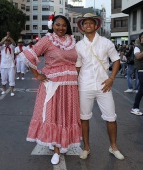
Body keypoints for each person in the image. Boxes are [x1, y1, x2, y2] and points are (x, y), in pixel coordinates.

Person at [20, 15, 81, 165]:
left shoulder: (72, 41)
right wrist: (37, 74)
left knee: (67, 115)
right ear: (52, 25)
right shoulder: (48, 39)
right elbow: (29, 55)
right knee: (54, 116)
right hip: (53, 85)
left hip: (70, 85)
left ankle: (64, 143)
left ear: (68, 27)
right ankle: (56, 149)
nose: (61, 28)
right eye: (57, 25)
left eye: (64, 25)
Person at [75, 13, 124, 160]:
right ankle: (86, 148)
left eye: (91, 22)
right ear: (82, 27)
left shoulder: (106, 42)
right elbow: (77, 67)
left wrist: (112, 79)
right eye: (85, 23)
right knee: (84, 118)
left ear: (96, 25)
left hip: (104, 85)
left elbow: (116, 60)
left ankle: (113, 147)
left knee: (111, 117)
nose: (88, 25)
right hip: (85, 85)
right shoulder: (78, 46)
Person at [130, 33, 143, 115]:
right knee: (141, 90)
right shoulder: (137, 47)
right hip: (141, 70)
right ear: (140, 38)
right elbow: (138, 57)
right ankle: (135, 108)